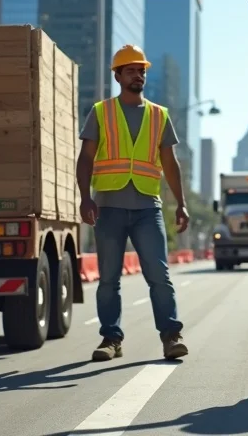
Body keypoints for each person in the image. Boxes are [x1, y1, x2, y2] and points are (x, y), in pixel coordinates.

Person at [76, 44, 190, 363]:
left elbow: (171, 163)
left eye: (141, 70)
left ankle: (171, 336)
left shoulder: (159, 115)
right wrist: (85, 197)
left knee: (159, 275)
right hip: (108, 207)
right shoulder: (101, 112)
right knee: (109, 278)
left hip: (147, 209)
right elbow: (85, 159)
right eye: (131, 71)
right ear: (117, 76)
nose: (138, 75)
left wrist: (181, 203)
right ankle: (111, 339)